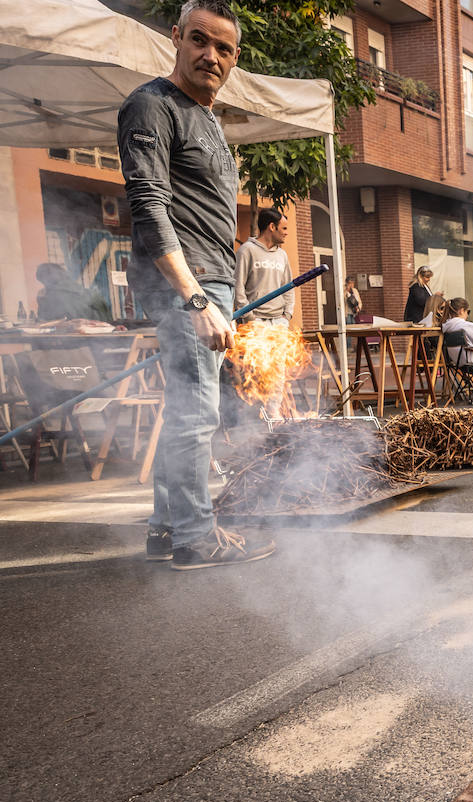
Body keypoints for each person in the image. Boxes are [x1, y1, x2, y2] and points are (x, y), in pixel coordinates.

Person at [118, 0, 273, 569]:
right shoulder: (151, 105)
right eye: (200, 41)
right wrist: (196, 297)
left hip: (211, 281)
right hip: (188, 285)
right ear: (177, 37)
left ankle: (166, 529)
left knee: (185, 408)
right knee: (196, 414)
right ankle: (194, 537)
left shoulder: (206, 118)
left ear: (235, 58)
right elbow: (149, 205)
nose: (211, 55)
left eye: (224, 48)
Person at [232, 206, 295, 419]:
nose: (286, 232)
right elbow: (238, 288)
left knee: (277, 371)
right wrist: (249, 318)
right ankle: (254, 415)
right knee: (256, 370)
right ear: (271, 227)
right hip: (256, 322)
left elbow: (289, 287)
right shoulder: (247, 251)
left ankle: (273, 414)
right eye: (283, 228)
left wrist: (287, 315)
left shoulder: (282, 255)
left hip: (278, 322)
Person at [35, 263, 107, 322]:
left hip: (70, 334)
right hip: (100, 333)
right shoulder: (90, 294)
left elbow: (45, 323)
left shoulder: (48, 298)